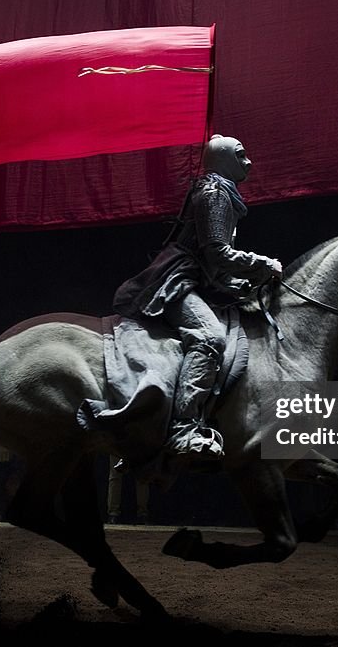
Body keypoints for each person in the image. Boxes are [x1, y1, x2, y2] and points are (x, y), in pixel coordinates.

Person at [113, 135, 282, 458]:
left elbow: (213, 263)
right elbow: (217, 251)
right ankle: (183, 428)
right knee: (210, 338)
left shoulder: (222, 192)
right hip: (175, 280)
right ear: (224, 160)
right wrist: (263, 264)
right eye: (242, 155)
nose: (249, 162)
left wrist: (236, 284)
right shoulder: (214, 192)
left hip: (198, 278)